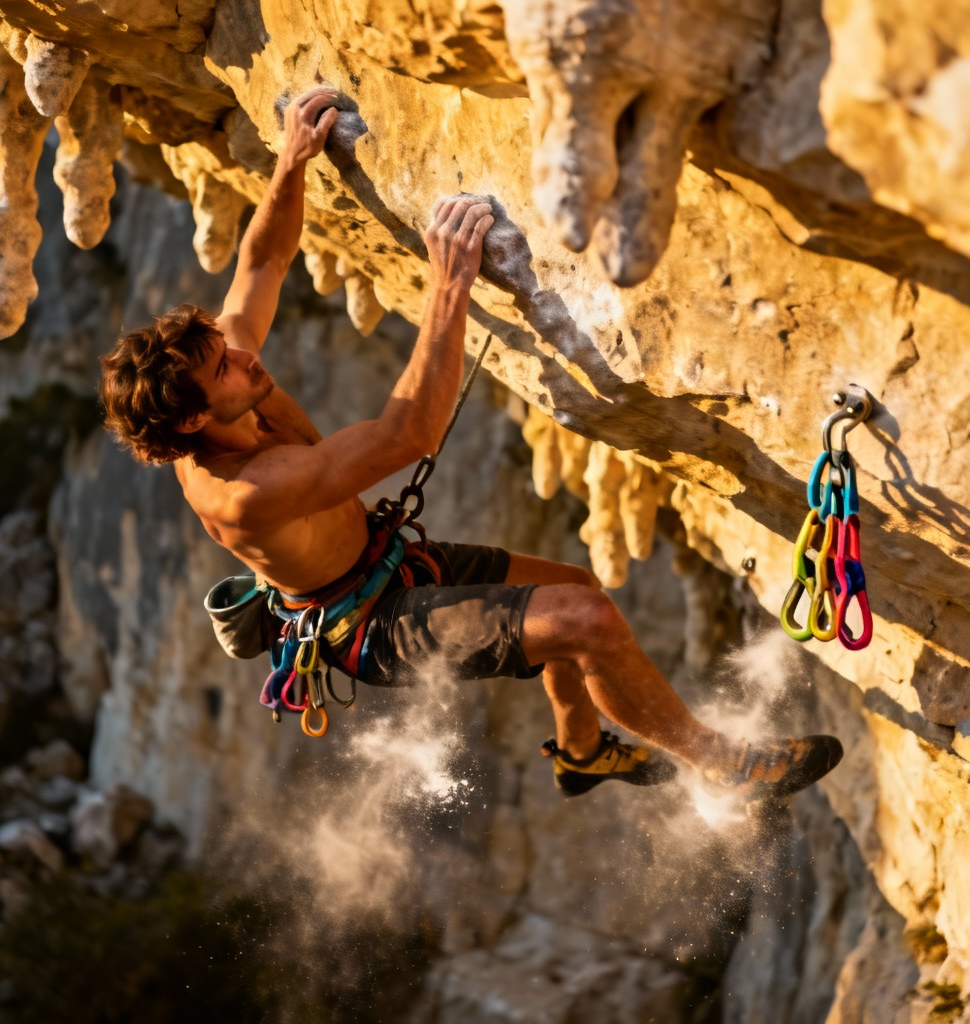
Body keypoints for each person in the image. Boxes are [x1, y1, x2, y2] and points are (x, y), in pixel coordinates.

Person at [99, 86, 842, 801]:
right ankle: (722, 763)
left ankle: (583, 755)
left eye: (227, 350)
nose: (244, 354)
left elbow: (261, 264)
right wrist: (448, 284)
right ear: (193, 420)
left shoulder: (220, 384)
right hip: (371, 626)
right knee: (588, 624)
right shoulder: (244, 493)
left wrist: (291, 161)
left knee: (578, 589)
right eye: (223, 367)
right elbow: (410, 433)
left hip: (385, 559)